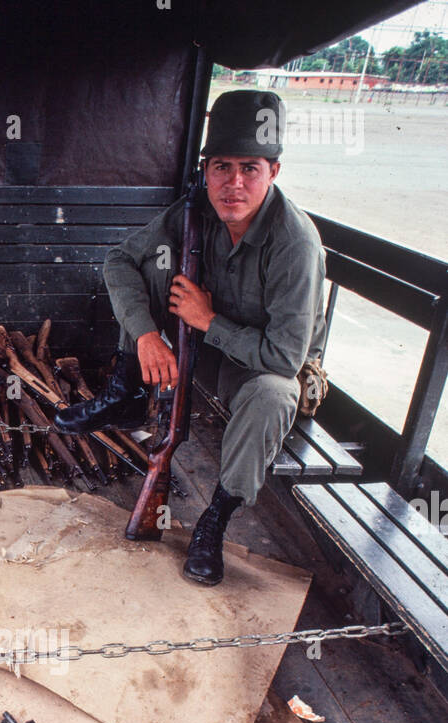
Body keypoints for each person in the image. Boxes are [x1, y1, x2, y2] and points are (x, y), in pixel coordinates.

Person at [54, 90, 327, 585]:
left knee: (273, 394)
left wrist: (206, 322)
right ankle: (125, 395)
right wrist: (145, 337)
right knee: (154, 270)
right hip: (201, 349)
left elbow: (285, 359)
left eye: (250, 168)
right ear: (206, 170)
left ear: (274, 172)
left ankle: (215, 519)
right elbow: (119, 260)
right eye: (221, 167)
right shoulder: (195, 209)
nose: (234, 184)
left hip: (259, 368)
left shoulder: (295, 242)